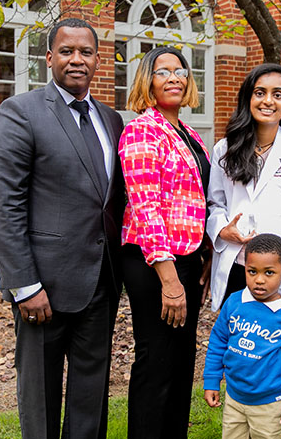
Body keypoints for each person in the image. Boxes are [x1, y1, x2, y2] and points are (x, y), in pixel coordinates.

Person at [0, 18, 125, 439]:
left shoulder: (112, 119)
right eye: (67, 51)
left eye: (86, 52)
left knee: (91, 397)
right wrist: (24, 284)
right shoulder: (20, 112)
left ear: (98, 61)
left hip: (101, 279)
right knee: (41, 396)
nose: (77, 60)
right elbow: (4, 203)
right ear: (49, 58)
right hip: (43, 285)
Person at [119, 46, 211, 439]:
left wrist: (204, 256)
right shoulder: (142, 130)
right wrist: (170, 282)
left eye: (180, 70)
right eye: (162, 72)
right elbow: (146, 207)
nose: (174, 77)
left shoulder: (187, 133)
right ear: (146, 81)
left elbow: (196, 202)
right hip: (154, 262)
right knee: (156, 362)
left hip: (186, 259)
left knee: (180, 361)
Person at [207, 63, 281, 330]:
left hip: (280, 275)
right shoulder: (224, 150)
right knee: (238, 351)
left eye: (277, 94)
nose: (268, 100)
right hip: (238, 267)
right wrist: (223, 230)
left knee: (273, 354)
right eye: (260, 92)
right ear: (248, 97)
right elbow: (215, 203)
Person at [203, 233, 281, 438]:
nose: (259, 280)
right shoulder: (235, 303)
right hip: (234, 397)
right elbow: (218, 342)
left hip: (271, 404)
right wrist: (211, 380)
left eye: (269, 273)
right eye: (252, 271)